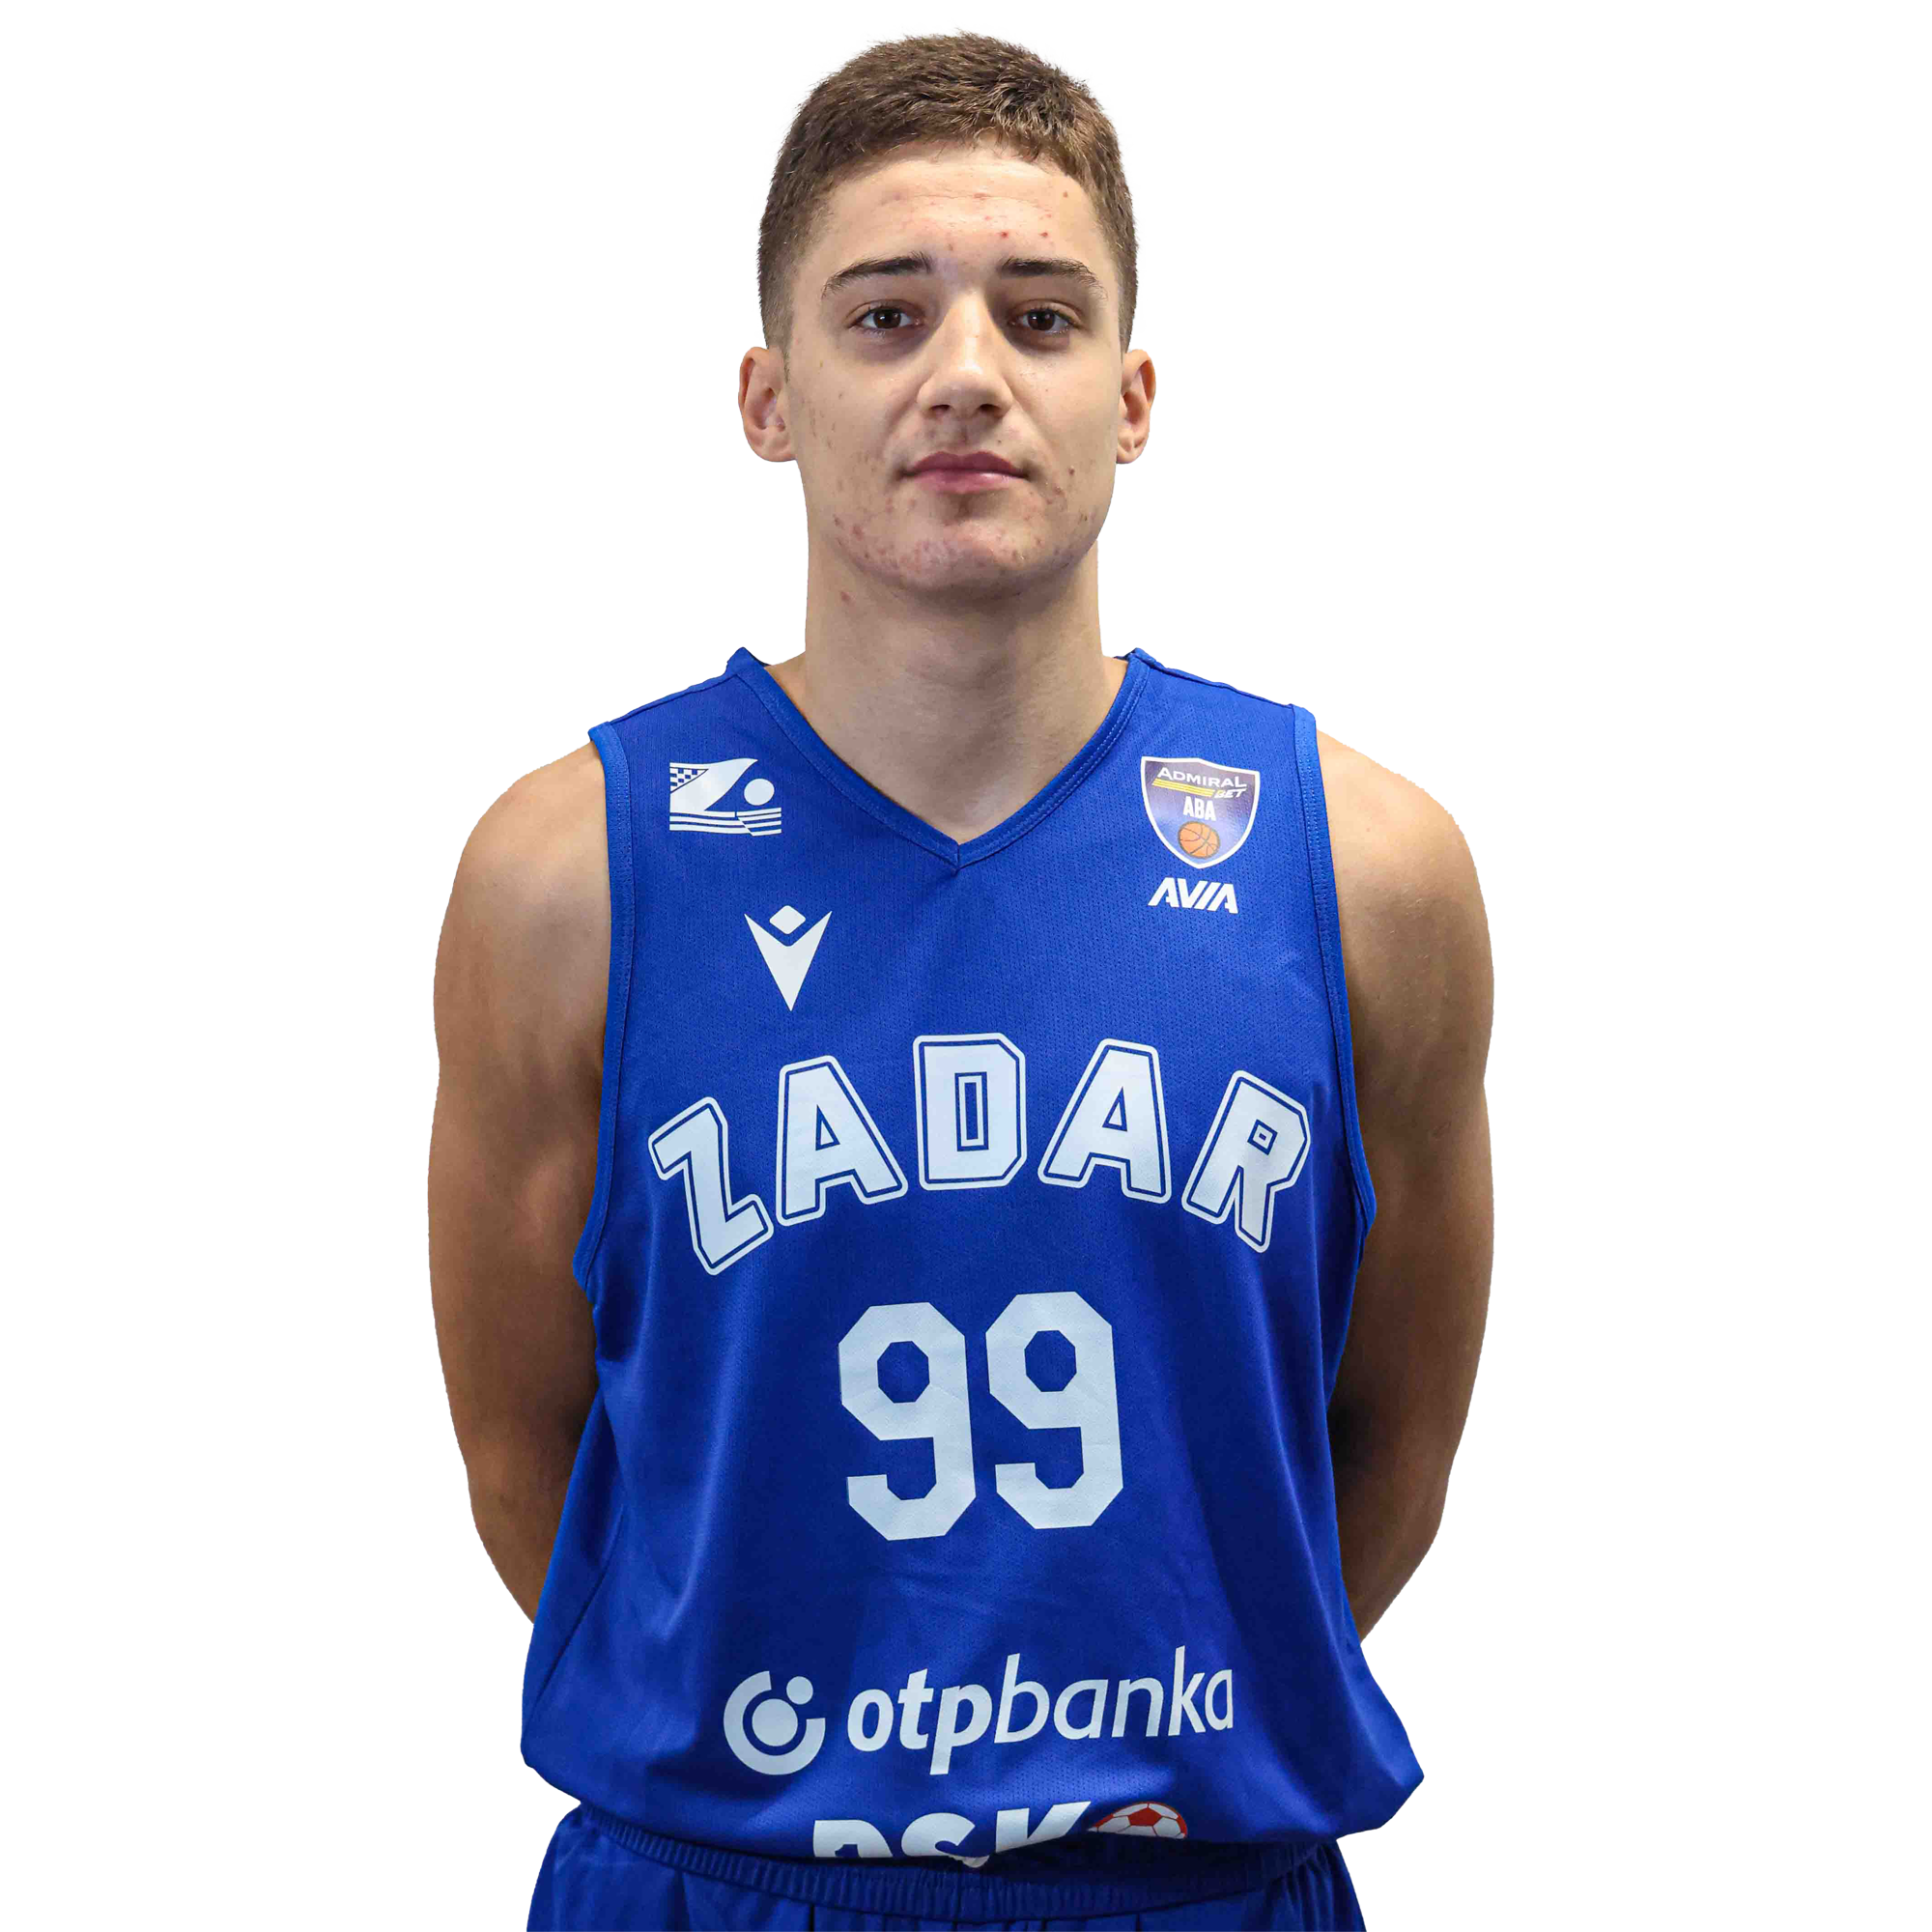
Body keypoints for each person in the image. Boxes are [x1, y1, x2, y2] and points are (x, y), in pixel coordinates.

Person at [430, 27, 1492, 1932]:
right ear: (770, 396)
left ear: (1130, 395)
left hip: (1190, 1888)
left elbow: (1384, 1441)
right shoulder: (568, 876)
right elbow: (534, 1461)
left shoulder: (1362, 867)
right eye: (885, 316)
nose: (968, 374)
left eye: (1042, 315)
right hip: (722, 1876)